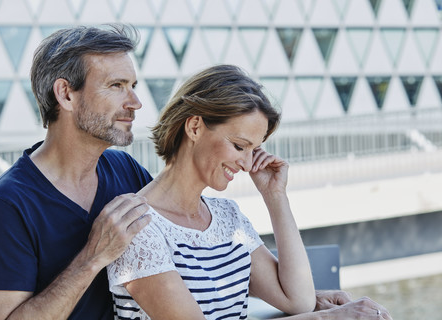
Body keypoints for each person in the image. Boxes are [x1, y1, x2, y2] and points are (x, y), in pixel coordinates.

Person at [107, 64, 392, 320]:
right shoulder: (136, 226)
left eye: (253, 150)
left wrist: (275, 196)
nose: (246, 163)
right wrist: (330, 318)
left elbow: (299, 300)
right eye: (239, 146)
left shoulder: (226, 217)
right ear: (194, 127)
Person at [0, 25, 152, 319]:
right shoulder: (5, 204)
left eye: (133, 86)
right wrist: (92, 257)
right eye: (117, 85)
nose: (135, 103)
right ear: (66, 94)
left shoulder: (128, 172)